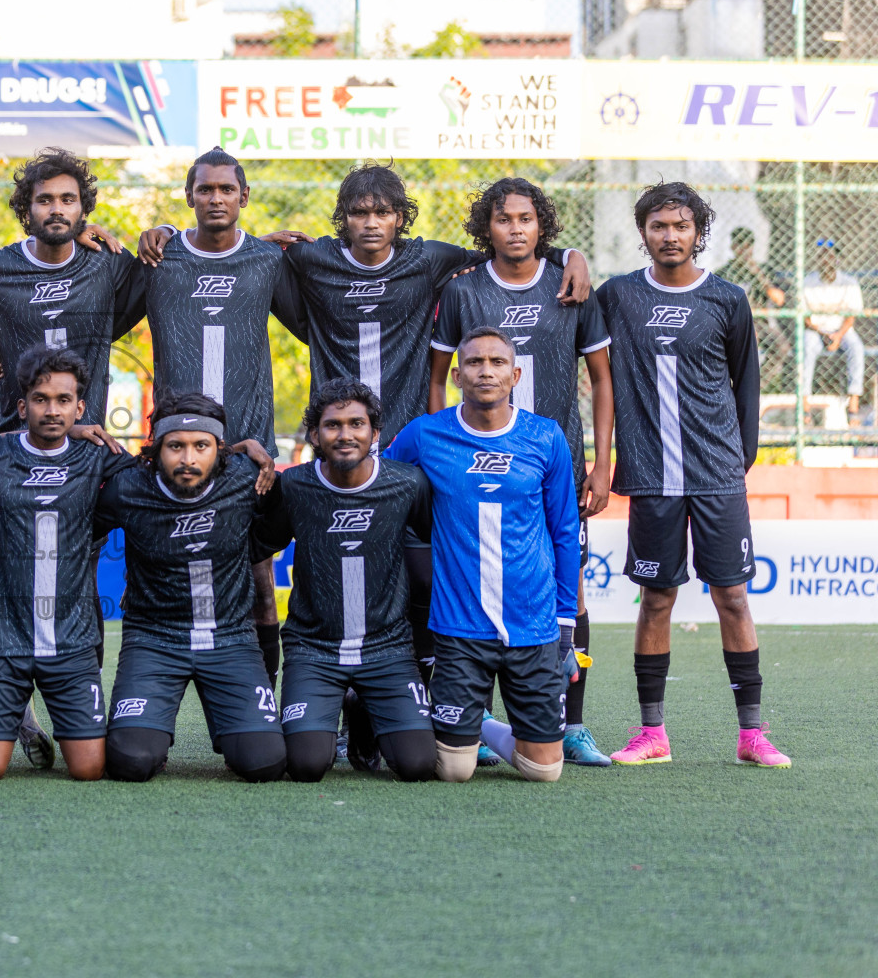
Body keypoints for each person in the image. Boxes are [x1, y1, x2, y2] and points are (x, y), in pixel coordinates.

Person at [143, 163, 591, 689]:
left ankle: (420, 697)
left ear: (401, 218)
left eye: (383, 212)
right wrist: (174, 234)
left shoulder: (428, 259)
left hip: (404, 453)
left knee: (421, 574)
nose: (372, 222)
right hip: (337, 447)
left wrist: (568, 254)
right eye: (359, 213)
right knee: (327, 570)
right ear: (343, 220)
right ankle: (312, 697)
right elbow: (244, 255)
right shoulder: (312, 258)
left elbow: (507, 251)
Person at [597, 182, 789, 768]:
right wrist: (570, 258)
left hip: (716, 473)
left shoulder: (728, 298)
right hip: (651, 475)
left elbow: (746, 379)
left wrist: (742, 455)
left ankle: (752, 734)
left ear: (698, 232)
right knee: (656, 598)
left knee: (733, 596)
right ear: (644, 233)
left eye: (681, 226)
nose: (670, 236)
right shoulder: (618, 296)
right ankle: (652, 732)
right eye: (659, 226)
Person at [429, 177, 615, 767]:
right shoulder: (462, 292)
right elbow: (437, 379)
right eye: (504, 219)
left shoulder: (573, 285)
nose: (515, 228)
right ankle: (473, 723)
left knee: (571, 585)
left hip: (553, 467)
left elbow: (602, 379)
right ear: (487, 227)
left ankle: (573, 722)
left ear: (543, 227)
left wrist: (603, 462)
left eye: (526, 219)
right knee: (468, 580)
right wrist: (447, 453)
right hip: (476, 465)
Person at [128, 147, 308, 688]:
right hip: (174, 449)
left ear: (244, 197)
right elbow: (98, 310)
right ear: (189, 198)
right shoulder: (158, 260)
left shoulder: (267, 260)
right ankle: (146, 692)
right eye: (204, 189)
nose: (215, 198)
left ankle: (264, 698)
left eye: (226, 189)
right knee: (156, 566)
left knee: (257, 576)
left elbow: (319, 323)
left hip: (247, 448)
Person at [384, 327, 580, 784]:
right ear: (457, 375)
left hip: (532, 624)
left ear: (514, 375)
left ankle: (482, 727)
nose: (485, 371)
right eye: (474, 362)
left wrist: (566, 619)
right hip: (459, 627)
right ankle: (454, 726)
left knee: (544, 770)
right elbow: (378, 480)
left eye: (496, 363)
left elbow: (566, 532)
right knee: (453, 771)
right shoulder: (426, 434)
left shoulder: (545, 437)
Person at [0, 346, 138, 780]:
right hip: (0, 637)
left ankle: (26, 714)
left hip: (70, 638)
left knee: (89, 770)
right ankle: (16, 716)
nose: (52, 410)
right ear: (21, 405)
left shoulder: (99, 456)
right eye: (41, 399)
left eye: (64, 400)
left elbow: (155, 495)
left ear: (81, 408)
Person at [93, 392, 286, 784]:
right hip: (154, 638)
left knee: (264, 763)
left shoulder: (247, 478)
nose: (188, 459)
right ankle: (153, 741)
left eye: (201, 446)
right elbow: (75, 532)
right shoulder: (128, 488)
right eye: (175, 446)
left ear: (220, 448)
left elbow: (283, 519)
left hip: (230, 638)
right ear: (156, 448)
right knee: (130, 762)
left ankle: (239, 730)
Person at [252, 378, 437, 782]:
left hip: (387, 648)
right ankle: (337, 704)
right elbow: (257, 544)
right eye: (333, 425)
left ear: (375, 432)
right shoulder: (295, 485)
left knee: (418, 765)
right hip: (313, 648)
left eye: (357, 423)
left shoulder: (407, 484)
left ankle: (363, 711)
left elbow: (435, 546)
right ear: (315, 434)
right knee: (306, 765)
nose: (345, 434)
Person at [0, 148, 145, 436]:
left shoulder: (107, 261)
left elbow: (161, 269)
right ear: (26, 210)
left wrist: (164, 229)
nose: (57, 209)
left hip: (84, 444)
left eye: (68, 200)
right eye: (45, 200)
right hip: (6, 441)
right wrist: (11, 354)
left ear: (83, 208)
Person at [718, 226, 791, 387]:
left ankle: (755, 386)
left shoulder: (763, 270)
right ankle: (729, 386)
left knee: (782, 347)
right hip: (731, 323)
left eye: (747, 246)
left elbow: (778, 299)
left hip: (758, 322)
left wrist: (757, 273)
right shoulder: (724, 273)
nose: (743, 250)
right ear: (733, 247)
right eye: (739, 245)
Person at [801, 237, 866, 420]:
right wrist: (822, 333)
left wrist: (838, 336)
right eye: (822, 255)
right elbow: (805, 318)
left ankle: (853, 404)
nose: (826, 259)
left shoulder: (849, 282)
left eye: (830, 255)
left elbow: (851, 316)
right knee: (806, 348)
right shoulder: (808, 282)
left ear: (837, 259)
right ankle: (805, 405)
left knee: (857, 348)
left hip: (842, 331)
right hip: (816, 331)